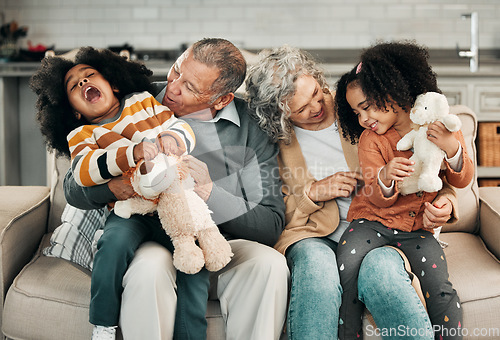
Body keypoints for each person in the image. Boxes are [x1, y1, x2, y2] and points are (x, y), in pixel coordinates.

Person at [63, 38, 288, 340]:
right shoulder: (139, 99)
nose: (173, 87)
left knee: (269, 265)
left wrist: (209, 193)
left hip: (219, 240)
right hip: (154, 235)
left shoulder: (252, 128)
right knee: (149, 269)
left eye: (191, 87)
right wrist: (115, 188)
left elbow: (270, 224)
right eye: (177, 70)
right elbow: (73, 186)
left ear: (221, 99)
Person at [245, 44, 459, 340]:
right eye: (302, 109)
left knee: (382, 272)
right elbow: (268, 211)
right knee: (317, 269)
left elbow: (426, 167)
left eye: (317, 94)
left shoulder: (361, 109)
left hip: (381, 227)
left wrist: (447, 200)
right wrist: (313, 193)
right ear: (279, 115)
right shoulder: (272, 140)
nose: (317, 107)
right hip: (312, 233)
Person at [30, 46, 209, 340]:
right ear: (74, 109)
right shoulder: (83, 135)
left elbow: (180, 127)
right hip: (129, 211)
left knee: (193, 259)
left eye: (89, 76)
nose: (84, 83)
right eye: (75, 86)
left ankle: (190, 334)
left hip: (172, 205)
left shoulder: (144, 103)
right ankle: (103, 324)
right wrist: (130, 153)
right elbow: (85, 171)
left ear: (113, 84)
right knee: (111, 245)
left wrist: (172, 138)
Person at [334, 41, 474, 339]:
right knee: (345, 271)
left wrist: (452, 148)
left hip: (417, 229)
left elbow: (462, 181)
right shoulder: (371, 141)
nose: (362, 119)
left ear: (393, 92)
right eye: (355, 112)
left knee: (440, 287)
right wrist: (385, 176)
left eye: (367, 106)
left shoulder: (440, 126)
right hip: (370, 223)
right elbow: (373, 194)